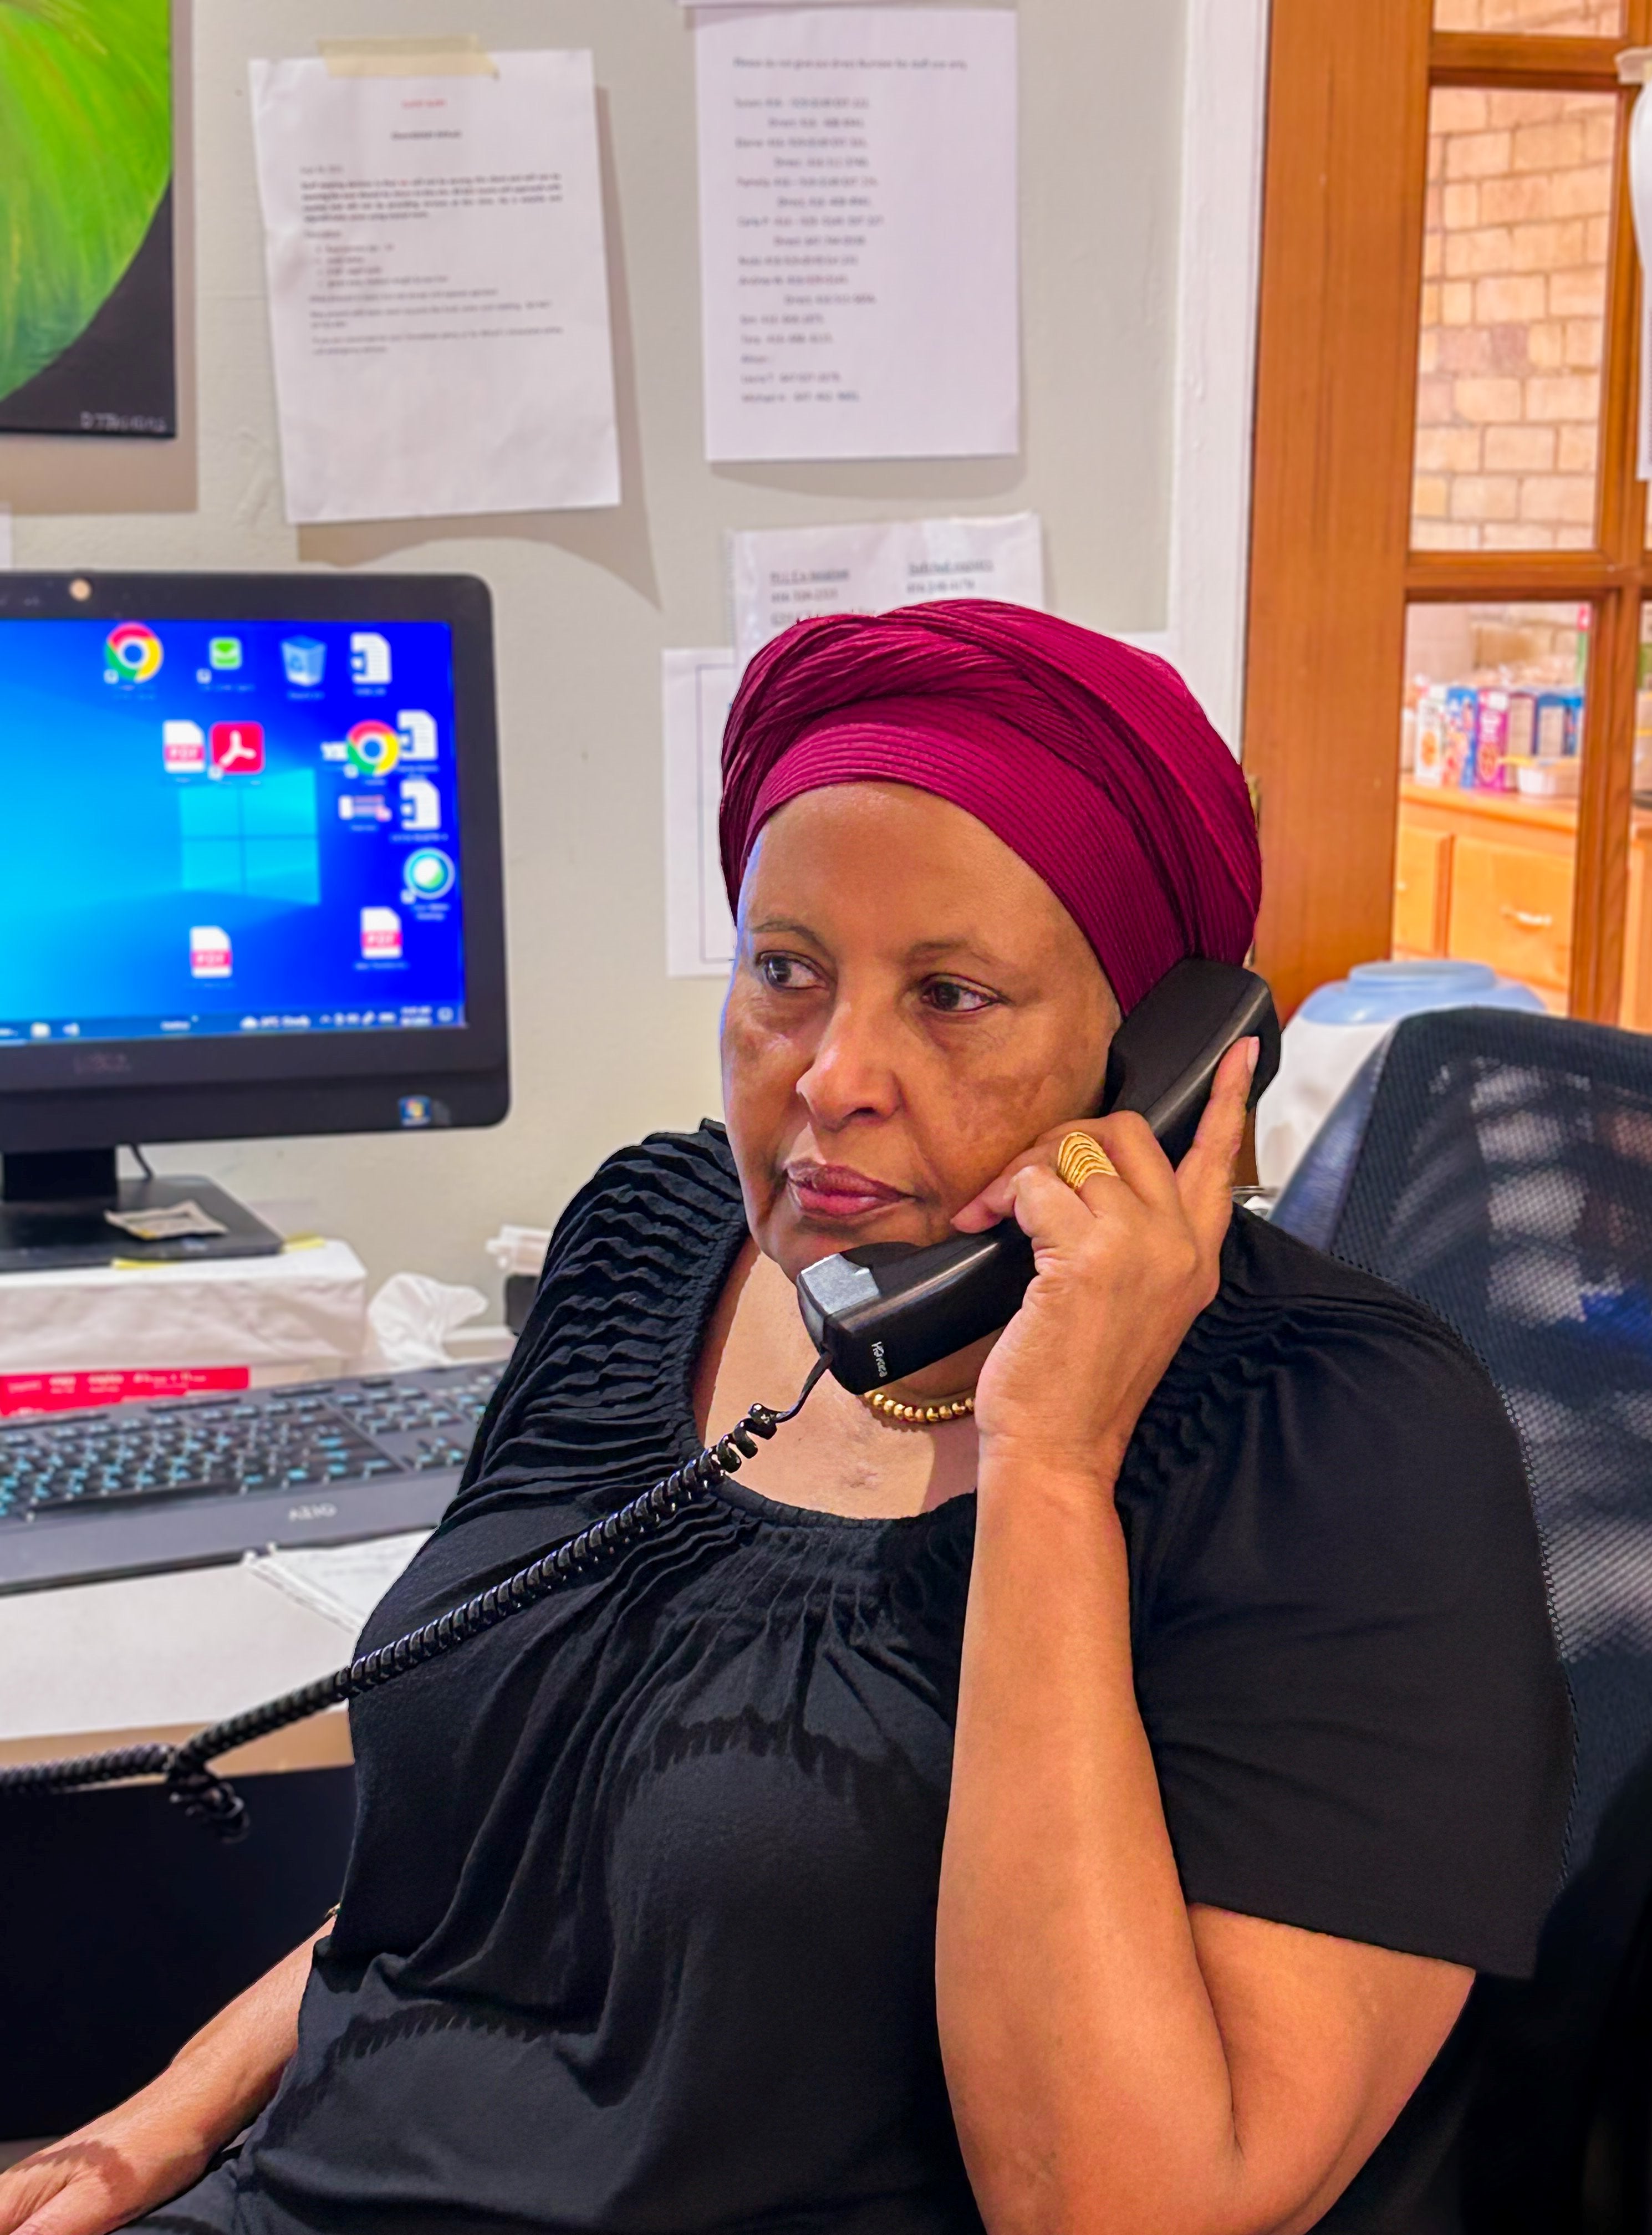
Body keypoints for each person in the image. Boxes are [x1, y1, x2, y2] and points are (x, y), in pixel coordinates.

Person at [1, 602, 1571, 2235]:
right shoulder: (649, 1241)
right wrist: (156, 2124)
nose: (829, 1077)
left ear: (1164, 1062)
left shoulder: (1336, 1440)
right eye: (788, 972)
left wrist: (1050, 1464)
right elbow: (459, 1877)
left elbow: (1123, 2210)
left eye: (952, 996)